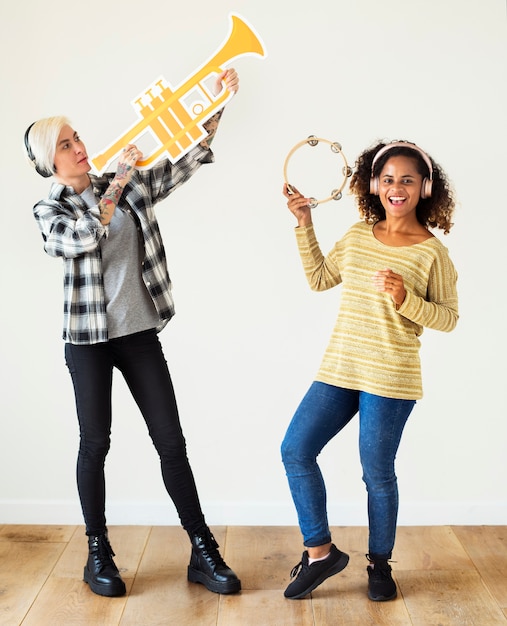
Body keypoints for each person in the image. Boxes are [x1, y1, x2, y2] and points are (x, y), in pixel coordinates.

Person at [24, 69, 241, 598]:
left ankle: (203, 548)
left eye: (76, 138)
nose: (79, 148)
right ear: (47, 163)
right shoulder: (50, 209)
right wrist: (119, 179)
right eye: (65, 145)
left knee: (171, 442)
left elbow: (187, 161)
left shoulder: (127, 184)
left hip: (139, 332)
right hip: (88, 342)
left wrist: (217, 106)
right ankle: (97, 551)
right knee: (95, 443)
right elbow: (82, 236)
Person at [281, 139, 458, 602]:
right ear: (374, 185)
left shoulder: (431, 254)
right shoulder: (360, 235)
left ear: (424, 188)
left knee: (376, 472)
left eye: (407, 180)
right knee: (295, 450)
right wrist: (305, 224)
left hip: (391, 377)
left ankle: (380, 565)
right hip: (340, 368)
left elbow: (449, 318)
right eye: (388, 179)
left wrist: (406, 299)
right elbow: (320, 278)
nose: (396, 187)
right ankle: (320, 553)